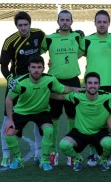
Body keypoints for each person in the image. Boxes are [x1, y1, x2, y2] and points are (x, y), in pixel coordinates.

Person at [4, 55, 81, 171]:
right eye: (33, 67)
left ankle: (44, 160)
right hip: (22, 111)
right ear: (29, 68)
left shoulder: (50, 79)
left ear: (43, 68)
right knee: (8, 133)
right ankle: (17, 159)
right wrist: (10, 119)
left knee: (49, 130)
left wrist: (77, 89)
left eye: (39, 67)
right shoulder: (19, 82)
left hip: (41, 111)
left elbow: (63, 89)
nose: (36, 70)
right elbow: (9, 99)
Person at [51, 72, 111, 171]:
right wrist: (45, 93)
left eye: (95, 83)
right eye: (89, 83)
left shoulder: (107, 97)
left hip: (99, 132)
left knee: (110, 144)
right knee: (64, 145)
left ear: (99, 85)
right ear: (85, 84)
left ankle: (103, 159)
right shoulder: (77, 96)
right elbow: (61, 96)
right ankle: (78, 159)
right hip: (80, 132)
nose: (92, 86)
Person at [0, 11, 45, 167]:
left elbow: (48, 48)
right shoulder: (10, 42)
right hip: (17, 84)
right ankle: (5, 155)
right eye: (20, 25)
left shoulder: (39, 35)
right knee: (7, 118)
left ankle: (39, 154)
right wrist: (11, 80)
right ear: (16, 26)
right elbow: (4, 66)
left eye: (26, 25)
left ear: (30, 24)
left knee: (38, 119)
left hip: (36, 83)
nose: (24, 28)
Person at [40, 10, 83, 166]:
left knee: (73, 117)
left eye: (67, 20)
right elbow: (38, 53)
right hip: (55, 81)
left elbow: (82, 53)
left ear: (72, 22)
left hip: (73, 81)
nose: (65, 22)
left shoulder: (77, 37)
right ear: (58, 21)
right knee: (54, 118)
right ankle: (53, 152)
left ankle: (71, 153)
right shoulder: (50, 39)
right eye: (62, 19)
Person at [80, 10, 111, 166]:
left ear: (109, 23)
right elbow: (74, 55)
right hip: (91, 86)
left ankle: (105, 155)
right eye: (99, 21)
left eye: (105, 21)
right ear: (95, 23)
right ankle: (92, 155)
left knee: (107, 121)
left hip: (109, 85)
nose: (102, 24)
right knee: (92, 121)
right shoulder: (87, 40)